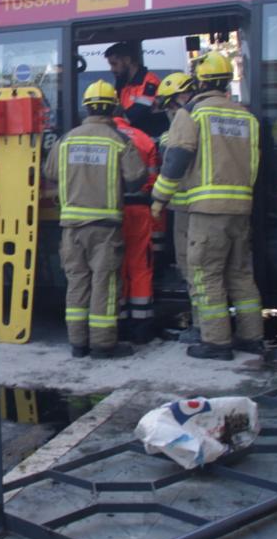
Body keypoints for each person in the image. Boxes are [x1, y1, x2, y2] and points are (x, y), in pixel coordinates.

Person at [151, 51, 262, 361]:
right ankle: (252, 338)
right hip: (241, 209)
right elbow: (253, 165)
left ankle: (216, 342)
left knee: (205, 275)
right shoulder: (246, 117)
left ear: (199, 82)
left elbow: (177, 158)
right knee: (240, 274)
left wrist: (159, 198)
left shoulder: (194, 115)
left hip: (207, 211)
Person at [45, 81, 146, 359]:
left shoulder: (67, 140)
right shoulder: (118, 141)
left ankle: (78, 343)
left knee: (77, 282)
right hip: (105, 227)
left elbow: (50, 172)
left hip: (71, 228)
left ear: (86, 107)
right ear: (113, 107)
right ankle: (103, 344)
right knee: (105, 283)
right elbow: (137, 178)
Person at [154, 72, 201, 345]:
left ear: (182, 97)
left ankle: (204, 329)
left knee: (194, 270)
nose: (170, 111)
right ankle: (246, 334)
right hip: (205, 207)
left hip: (189, 210)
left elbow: (174, 162)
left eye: (171, 104)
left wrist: (158, 199)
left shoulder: (186, 120)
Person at [112, 95, 160, 345]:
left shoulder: (100, 138)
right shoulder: (143, 139)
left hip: (111, 211)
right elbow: (153, 181)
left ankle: (118, 320)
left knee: (115, 266)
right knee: (140, 266)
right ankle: (141, 326)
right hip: (140, 209)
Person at [105, 41, 165, 139]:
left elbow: (138, 113)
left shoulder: (150, 82)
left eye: (114, 64)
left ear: (127, 60)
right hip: (130, 137)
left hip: (148, 138)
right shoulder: (123, 83)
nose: (111, 69)